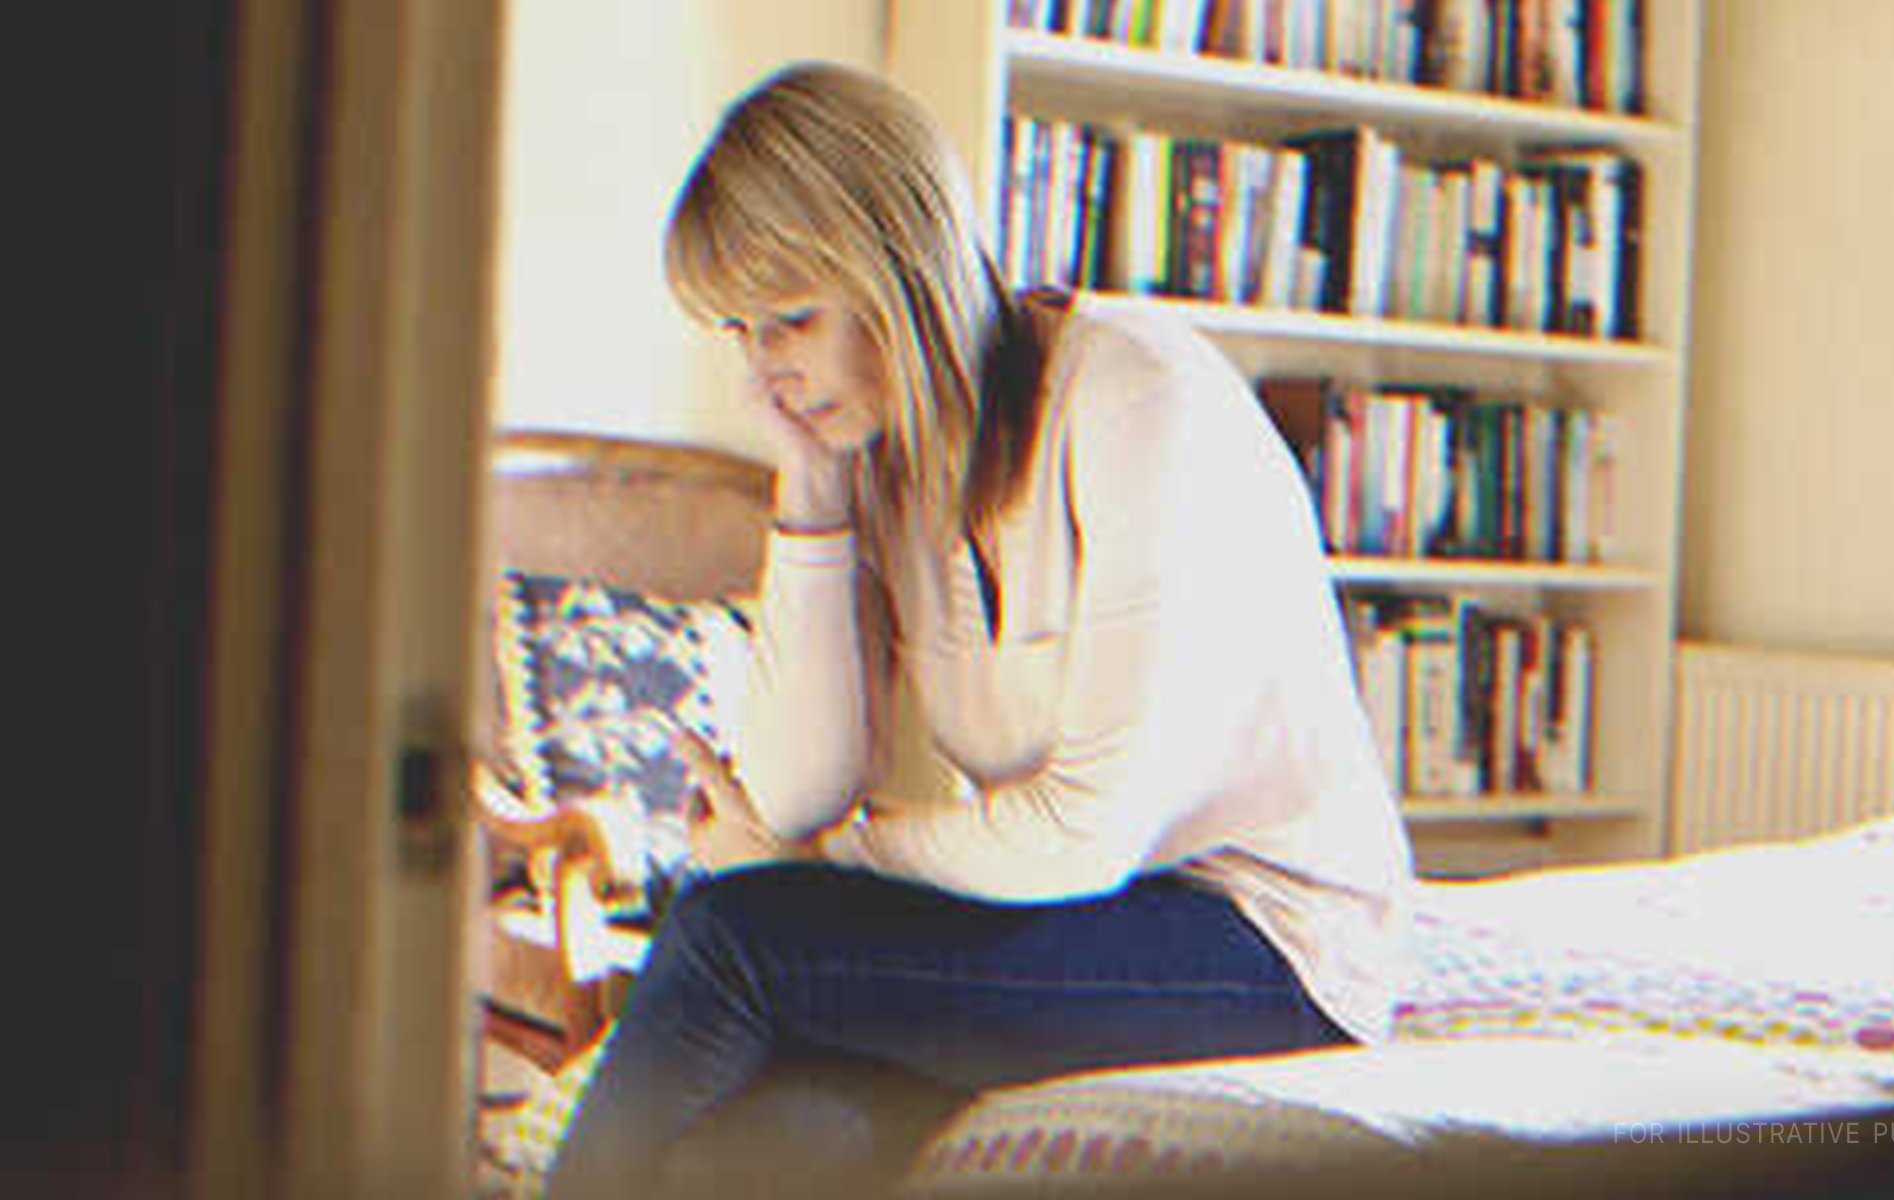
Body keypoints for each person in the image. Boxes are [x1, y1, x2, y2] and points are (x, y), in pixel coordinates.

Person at [545, 60, 1417, 1198]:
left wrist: (819, 862)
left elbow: (1078, 838)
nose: (768, 369)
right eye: (742, 332)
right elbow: (799, 787)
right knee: (766, 1140)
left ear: (897, 272)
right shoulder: (884, 457)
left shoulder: (1139, 398)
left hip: (1266, 943)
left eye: (794, 319)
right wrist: (809, 490)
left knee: (733, 934)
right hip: (1071, 923)